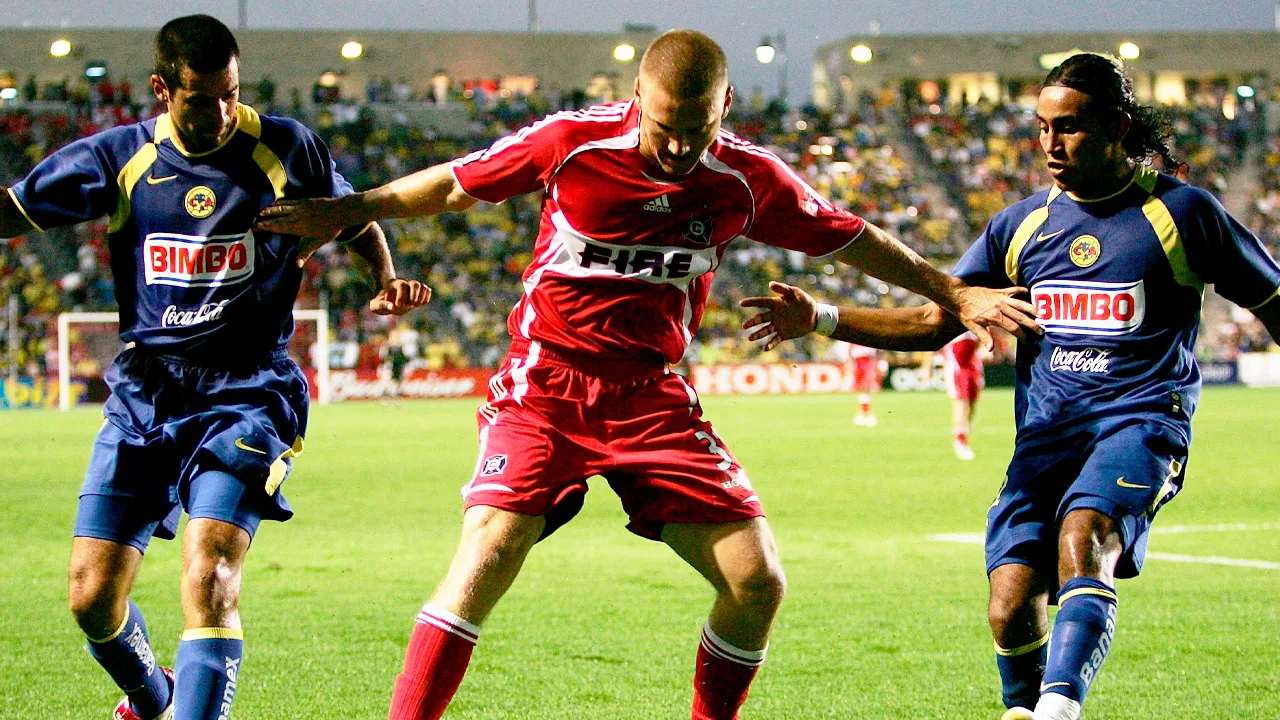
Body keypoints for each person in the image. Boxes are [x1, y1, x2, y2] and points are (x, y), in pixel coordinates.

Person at [257, 29, 1036, 720]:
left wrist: (954, 289)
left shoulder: (744, 179)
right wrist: (350, 208)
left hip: (652, 396)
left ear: (724, 107)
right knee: (491, 547)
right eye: (665, 129)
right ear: (637, 98)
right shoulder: (572, 141)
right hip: (547, 384)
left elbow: (849, 237)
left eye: (697, 130)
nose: (678, 149)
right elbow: (455, 183)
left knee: (757, 581)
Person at [739, 52, 1280, 720]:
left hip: (1140, 422)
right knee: (1009, 608)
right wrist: (820, 318)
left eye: (1071, 127)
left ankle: (1058, 712)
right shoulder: (1020, 226)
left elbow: (1274, 302)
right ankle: (1024, 710)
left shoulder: (1183, 214)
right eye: (1042, 127)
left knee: (1087, 535)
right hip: (1047, 439)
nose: (1051, 144)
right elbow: (937, 322)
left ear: (1117, 127)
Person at [0, 15, 429, 720]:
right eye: (203, 99)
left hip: (249, 391)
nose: (223, 112)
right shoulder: (120, 159)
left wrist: (384, 276)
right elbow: (14, 211)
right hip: (148, 391)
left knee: (212, 572)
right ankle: (156, 699)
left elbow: (353, 218)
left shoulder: (285, 147)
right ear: (163, 89)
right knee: (90, 599)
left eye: (233, 93)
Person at [940, 331, 983, 459]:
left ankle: (964, 432)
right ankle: (960, 440)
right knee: (961, 402)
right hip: (956, 365)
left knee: (972, 402)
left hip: (972, 364)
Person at [840, 342, 881, 426]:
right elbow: (849, 352)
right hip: (858, 363)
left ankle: (867, 414)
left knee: (865, 389)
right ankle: (864, 414)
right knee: (862, 389)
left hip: (866, 362)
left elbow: (874, 353)